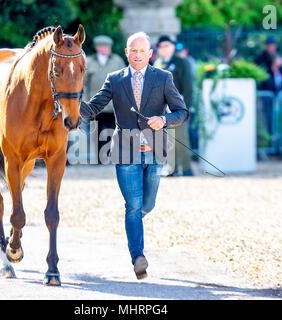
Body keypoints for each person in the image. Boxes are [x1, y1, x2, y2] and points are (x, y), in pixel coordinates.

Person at [80, 32, 189, 279]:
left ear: (150, 54)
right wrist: (68, 99)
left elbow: (182, 111)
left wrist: (164, 119)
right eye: (133, 50)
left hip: (155, 150)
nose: (137, 55)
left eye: (142, 51)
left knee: (147, 205)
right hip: (125, 151)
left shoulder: (163, 78)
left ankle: (134, 226)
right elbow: (93, 108)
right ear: (126, 52)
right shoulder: (115, 79)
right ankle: (138, 257)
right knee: (133, 206)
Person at [154, 35, 193, 176]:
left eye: (167, 45)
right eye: (161, 46)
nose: (164, 48)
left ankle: (186, 168)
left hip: (178, 106)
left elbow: (188, 86)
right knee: (168, 139)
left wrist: (186, 107)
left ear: (172, 46)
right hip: (164, 107)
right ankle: (172, 168)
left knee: (181, 138)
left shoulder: (181, 62)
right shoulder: (158, 63)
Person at [83, 35, 126, 162]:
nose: (106, 49)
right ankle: (100, 158)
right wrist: (86, 101)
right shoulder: (89, 61)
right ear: (97, 47)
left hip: (114, 104)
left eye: (108, 46)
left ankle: (112, 156)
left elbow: (124, 80)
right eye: (103, 46)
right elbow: (83, 83)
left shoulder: (117, 60)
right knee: (97, 132)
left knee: (114, 131)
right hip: (95, 104)